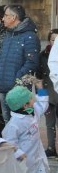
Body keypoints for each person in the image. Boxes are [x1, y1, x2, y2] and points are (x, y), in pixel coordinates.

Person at [3, 84, 58, 173]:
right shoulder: (14, 124)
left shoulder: (32, 112)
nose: (34, 100)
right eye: (31, 98)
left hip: (35, 162)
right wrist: (19, 153)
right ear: (24, 105)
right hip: (21, 165)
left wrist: (42, 88)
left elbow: (43, 104)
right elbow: (8, 143)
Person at [0, 4, 40, 123]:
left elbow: (32, 63)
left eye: (5, 15)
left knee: (23, 126)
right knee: (8, 124)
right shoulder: (8, 35)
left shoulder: (29, 36)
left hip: (19, 91)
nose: (3, 18)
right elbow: (1, 60)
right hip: (3, 88)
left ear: (13, 17)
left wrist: (17, 80)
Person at [37, 29, 58, 158]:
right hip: (49, 93)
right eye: (52, 39)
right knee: (49, 123)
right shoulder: (43, 56)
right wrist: (41, 93)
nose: (55, 42)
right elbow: (39, 76)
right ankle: (51, 147)